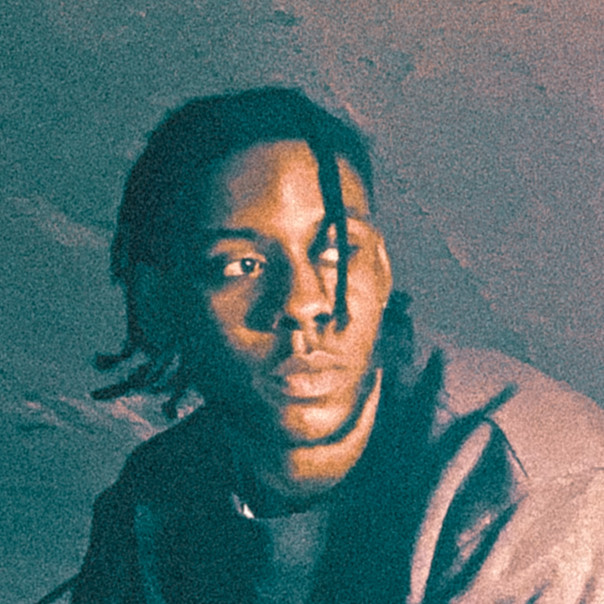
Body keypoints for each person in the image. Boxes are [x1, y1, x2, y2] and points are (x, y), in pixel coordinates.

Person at [64, 87, 604, 603]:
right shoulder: (158, 496)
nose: (304, 302)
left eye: (337, 251)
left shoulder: (527, 483)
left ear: (383, 269)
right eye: (241, 265)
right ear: (158, 301)